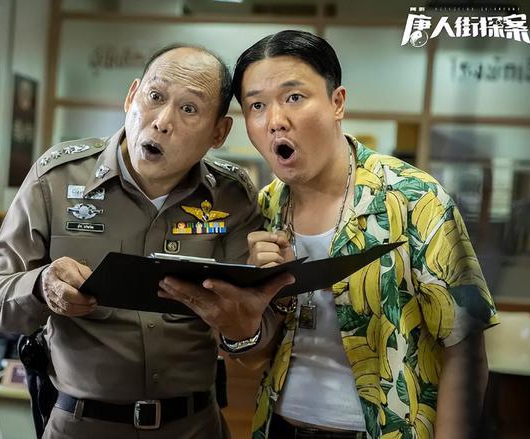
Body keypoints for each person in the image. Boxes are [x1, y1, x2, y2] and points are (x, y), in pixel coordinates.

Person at [159, 30, 498, 439]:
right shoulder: (264, 209)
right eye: (257, 105)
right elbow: (256, 356)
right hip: (279, 427)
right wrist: (253, 307)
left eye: (294, 97)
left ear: (337, 102)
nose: (275, 120)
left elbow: (465, 349)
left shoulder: (413, 198)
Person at [0, 44, 275, 439]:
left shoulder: (231, 196)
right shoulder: (58, 179)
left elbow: (256, 336)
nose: (162, 122)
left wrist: (245, 320)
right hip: (80, 425)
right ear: (131, 97)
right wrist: (40, 286)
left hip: (193, 427)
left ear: (218, 132)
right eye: (155, 96)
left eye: (189, 109)